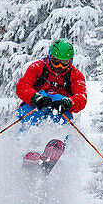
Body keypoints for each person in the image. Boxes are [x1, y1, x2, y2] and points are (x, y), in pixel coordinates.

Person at [15, 40, 87, 172]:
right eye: (56, 61)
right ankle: (26, 149)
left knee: (63, 118)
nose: (59, 66)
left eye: (64, 63)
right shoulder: (37, 67)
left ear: (70, 61)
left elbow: (81, 98)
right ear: (49, 56)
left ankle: (54, 150)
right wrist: (34, 97)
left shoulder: (75, 76)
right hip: (35, 106)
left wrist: (68, 102)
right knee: (30, 114)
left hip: (59, 109)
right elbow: (22, 86)